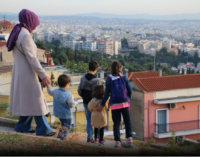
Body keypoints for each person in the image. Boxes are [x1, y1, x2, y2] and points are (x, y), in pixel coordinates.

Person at [7, 9, 55, 136]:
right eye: (35, 23)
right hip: (28, 73)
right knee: (36, 100)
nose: (36, 26)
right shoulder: (26, 35)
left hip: (20, 72)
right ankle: (44, 129)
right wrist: (43, 75)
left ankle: (22, 126)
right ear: (30, 21)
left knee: (28, 100)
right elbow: (32, 58)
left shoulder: (18, 32)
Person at [97, 61, 133, 148]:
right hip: (125, 103)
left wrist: (102, 104)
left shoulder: (109, 79)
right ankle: (129, 138)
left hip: (114, 105)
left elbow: (106, 94)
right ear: (120, 68)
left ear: (111, 69)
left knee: (116, 123)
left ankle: (117, 141)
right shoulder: (124, 77)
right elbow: (130, 90)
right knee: (127, 121)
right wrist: (128, 99)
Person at [47, 74, 78, 140]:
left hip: (58, 113)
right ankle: (62, 139)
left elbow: (50, 92)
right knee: (67, 127)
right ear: (67, 84)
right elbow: (71, 104)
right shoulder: (68, 94)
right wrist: (76, 102)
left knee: (63, 125)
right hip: (66, 114)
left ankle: (59, 136)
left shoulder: (55, 91)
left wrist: (48, 85)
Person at [78, 60, 101, 143]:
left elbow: (79, 90)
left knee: (88, 119)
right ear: (95, 69)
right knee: (96, 119)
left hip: (85, 101)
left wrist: (84, 96)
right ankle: (98, 137)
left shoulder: (83, 78)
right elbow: (99, 93)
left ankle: (89, 137)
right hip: (94, 102)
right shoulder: (97, 80)